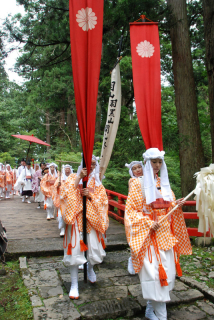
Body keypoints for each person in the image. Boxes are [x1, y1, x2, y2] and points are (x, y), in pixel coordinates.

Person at [125, 148, 192, 320]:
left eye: (159, 162)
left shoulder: (164, 183)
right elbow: (131, 211)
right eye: (154, 162)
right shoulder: (137, 184)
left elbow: (168, 208)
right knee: (155, 278)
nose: (157, 165)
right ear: (147, 163)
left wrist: (176, 204)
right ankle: (162, 317)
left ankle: (149, 310)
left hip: (164, 237)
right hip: (147, 238)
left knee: (165, 276)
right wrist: (147, 222)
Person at [60, 155, 109, 300]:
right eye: (88, 163)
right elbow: (64, 194)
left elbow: (103, 201)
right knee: (74, 251)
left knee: (92, 248)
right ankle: (74, 284)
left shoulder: (97, 183)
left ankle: (90, 268)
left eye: (94, 164)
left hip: (91, 220)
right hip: (75, 219)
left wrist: (91, 196)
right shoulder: (72, 177)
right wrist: (78, 179)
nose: (91, 166)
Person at [125, 161, 144, 275]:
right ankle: (132, 259)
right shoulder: (132, 181)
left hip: (147, 212)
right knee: (135, 236)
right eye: (134, 169)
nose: (137, 170)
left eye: (139, 167)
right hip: (135, 213)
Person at [52, 164, 73, 237]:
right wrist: (58, 185)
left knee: (70, 214)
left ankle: (69, 229)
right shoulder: (60, 178)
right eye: (66, 169)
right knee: (61, 215)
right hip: (61, 199)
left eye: (68, 169)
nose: (67, 170)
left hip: (70, 199)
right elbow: (55, 187)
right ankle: (62, 229)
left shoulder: (73, 178)